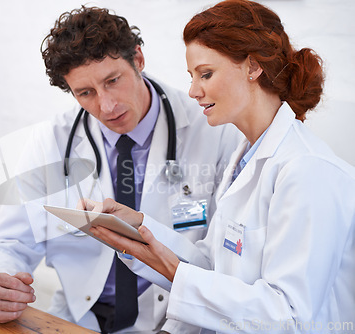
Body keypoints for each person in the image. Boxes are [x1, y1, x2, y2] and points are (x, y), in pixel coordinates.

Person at [82, 0, 355, 333]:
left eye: (206, 74)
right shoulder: (244, 159)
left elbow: (290, 317)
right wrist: (138, 230)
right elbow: (214, 266)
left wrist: (176, 273)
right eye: (192, 77)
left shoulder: (308, 170)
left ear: (253, 67)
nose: (194, 91)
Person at [0, 5, 241, 334]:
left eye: (113, 81)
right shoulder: (53, 141)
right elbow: (9, 242)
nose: (106, 105)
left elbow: (226, 259)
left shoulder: (213, 131)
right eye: (85, 93)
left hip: (177, 319)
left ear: (138, 60)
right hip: (78, 318)